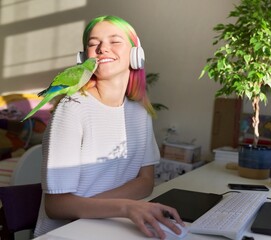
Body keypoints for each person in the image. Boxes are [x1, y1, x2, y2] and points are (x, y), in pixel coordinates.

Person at [34, 15, 184, 239]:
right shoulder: (73, 109)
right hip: (67, 233)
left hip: (111, 226)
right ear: (84, 58)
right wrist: (124, 206)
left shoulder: (140, 113)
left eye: (115, 41)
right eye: (94, 44)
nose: (103, 48)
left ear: (136, 54)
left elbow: (146, 182)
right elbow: (56, 206)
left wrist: (114, 208)